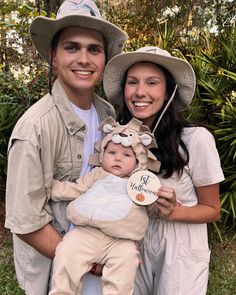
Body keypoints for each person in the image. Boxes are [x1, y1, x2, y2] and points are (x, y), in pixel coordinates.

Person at [4, 1, 128, 294]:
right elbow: (27, 222)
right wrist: (88, 263)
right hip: (59, 270)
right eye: (72, 47)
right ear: (53, 56)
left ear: (104, 58)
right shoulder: (34, 128)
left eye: (94, 49)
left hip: (107, 260)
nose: (84, 59)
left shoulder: (107, 113)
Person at [103, 46, 225, 295]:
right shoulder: (118, 141)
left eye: (152, 82)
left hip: (180, 246)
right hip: (132, 242)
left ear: (168, 90)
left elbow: (212, 210)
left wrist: (172, 211)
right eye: (132, 82)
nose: (140, 92)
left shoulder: (195, 140)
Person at [48, 117, 161, 295]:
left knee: (126, 263)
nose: (118, 158)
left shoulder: (139, 184)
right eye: (112, 152)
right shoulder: (97, 174)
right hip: (86, 232)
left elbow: (153, 208)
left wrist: (161, 201)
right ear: (102, 155)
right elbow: (76, 189)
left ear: (138, 161)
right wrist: (51, 187)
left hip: (121, 239)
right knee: (66, 254)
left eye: (126, 155)